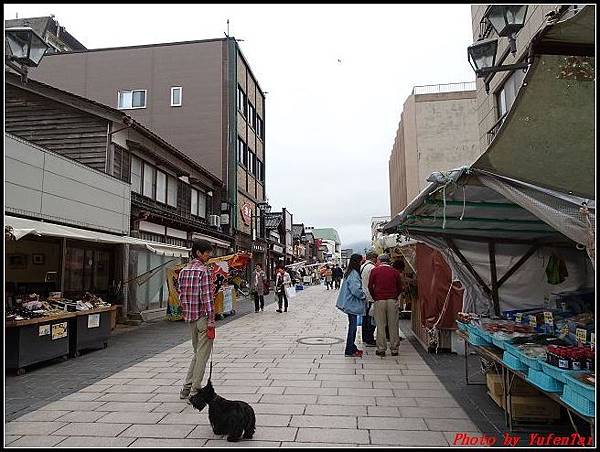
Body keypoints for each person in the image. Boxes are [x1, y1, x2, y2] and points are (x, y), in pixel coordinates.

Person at [177, 240, 216, 400]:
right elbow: (207, 297)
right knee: (202, 356)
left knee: (197, 353)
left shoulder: (183, 271)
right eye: (207, 253)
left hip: (190, 319)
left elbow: (180, 295)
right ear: (198, 253)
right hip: (202, 318)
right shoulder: (203, 271)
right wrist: (212, 319)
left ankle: (186, 389)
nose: (209, 256)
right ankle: (195, 390)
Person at [368, 253, 403, 357]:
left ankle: (381, 348)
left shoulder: (374, 271)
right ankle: (394, 349)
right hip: (392, 299)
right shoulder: (395, 272)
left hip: (379, 299)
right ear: (389, 261)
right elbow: (400, 287)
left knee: (381, 325)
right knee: (393, 324)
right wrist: (395, 296)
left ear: (379, 260)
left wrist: (375, 297)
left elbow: (370, 286)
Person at [335, 253, 367, 357]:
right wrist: (363, 296)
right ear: (357, 261)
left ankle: (352, 347)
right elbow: (355, 289)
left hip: (349, 303)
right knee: (352, 327)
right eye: (361, 261)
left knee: (352, 326)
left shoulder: (350, 272)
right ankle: (349, 350)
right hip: (352, 303)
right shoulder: (354, 273)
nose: (362, 263)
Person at [360, 251, 378, 347]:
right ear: (374, 258)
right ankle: (369, 339)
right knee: (371, 318)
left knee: (365, 318)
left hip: (364, 295)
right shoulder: (372, 268)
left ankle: (365, 337)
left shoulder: (362, 266)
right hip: (370, 296)